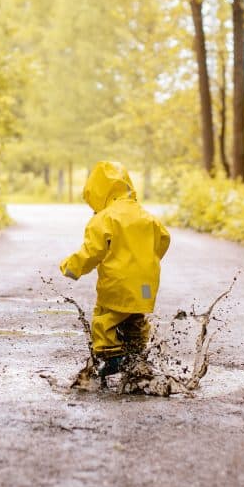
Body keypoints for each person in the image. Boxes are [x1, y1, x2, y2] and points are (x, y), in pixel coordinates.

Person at [59, 160, 170, 378]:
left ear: (98, 192)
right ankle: (137, 355)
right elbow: (164, 239)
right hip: (146, 285)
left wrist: (71, 267)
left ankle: (112, 358)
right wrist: (146, 260)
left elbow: (92, 252)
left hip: (118, 284)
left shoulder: (104, 219)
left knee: (104, 319)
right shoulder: (147, 216)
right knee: (135, 317)